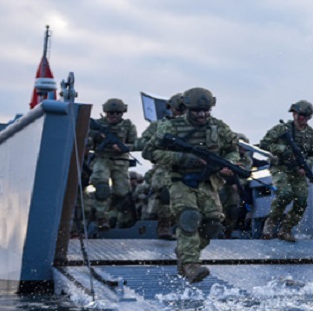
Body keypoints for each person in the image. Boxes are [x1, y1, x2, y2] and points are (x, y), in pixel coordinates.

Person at [143, 87, 240, 283]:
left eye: (206, 110)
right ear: (187, 108)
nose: (202, 114)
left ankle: (185, 252)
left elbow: (232, 149)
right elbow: (149, 152)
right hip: (181, 181)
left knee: (213, 225)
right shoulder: (170, 128)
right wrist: (183, 158)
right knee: (189, 218)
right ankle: (191, 264)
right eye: (197, 111)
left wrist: (228, 164)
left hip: (208, 182)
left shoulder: (219, 127)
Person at [259, 101, 313, 242]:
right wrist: (283, 150)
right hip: (280, 167)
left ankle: (286, 229)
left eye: (306, 116)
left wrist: (305, 165)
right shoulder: (281, 129)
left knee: (301, 201)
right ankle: (271, 222)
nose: (302, 119)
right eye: (300, 115)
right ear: (294, 114)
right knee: (285, 193)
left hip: (298, 171)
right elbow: (264, 144)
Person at [137, 93, 186, 239]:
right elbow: (142, 143)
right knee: (165, 194)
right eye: (178, 108)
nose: (180, 112)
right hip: (165, 165)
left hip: (189, 165)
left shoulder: (195, 126)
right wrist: (160, 142)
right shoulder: (159, 126)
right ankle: (164, 226)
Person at [87, 98, 138, 231]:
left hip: (121, 162)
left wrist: (123, 147)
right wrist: (97, 136)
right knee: (102, 186)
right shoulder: (98, 124)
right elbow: (86, 141)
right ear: (105, 112)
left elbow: (136, 144)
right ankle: (101, 218)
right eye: (111, 113)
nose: (114, 116)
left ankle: (119, 218)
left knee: (122, 193)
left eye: (118, 113)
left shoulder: (128, 126)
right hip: (101, 159)